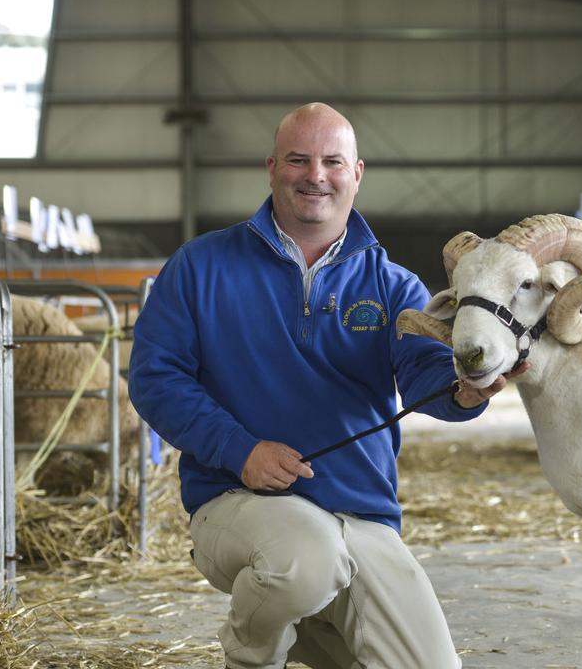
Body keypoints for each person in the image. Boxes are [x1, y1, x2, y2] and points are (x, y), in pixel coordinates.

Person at [129, 103, 519, 669]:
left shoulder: (392, 286)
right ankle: (251, 655)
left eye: (332, 161)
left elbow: (423, 373)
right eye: (298, 160)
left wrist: (465, 387)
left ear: (356, 173)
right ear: (271, 168)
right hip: (237, 502)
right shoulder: (201, 266)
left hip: (360, 516)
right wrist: (240, 451)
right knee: (305, 561)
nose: (316, 175)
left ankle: (307, 629)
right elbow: (153, 376)